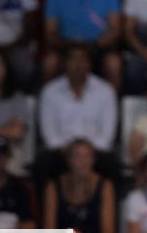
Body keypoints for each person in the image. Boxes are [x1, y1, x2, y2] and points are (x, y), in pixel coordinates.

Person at [37, 44, 119, 182]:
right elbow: (49, 135)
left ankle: (110, 203)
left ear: (90, 64)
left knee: (112, 164)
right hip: (62, 153)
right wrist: (71, 153)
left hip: (95, 152)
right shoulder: (49, 92)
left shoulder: (106, 91)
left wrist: (86, 154)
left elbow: (107, 136)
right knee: (43, 163)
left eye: (82, 59)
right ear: (64, 64)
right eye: (73, 59)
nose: (78, 64)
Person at [43, 0, 121, 86]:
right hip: (67, 47)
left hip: (98, 47)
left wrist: (94, 45)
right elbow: (50, 33)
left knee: (113, 64)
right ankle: (49, 106)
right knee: (50, 63)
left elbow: (114, 30)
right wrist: (71, 46)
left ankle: (112, 107)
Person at [43, 138, 116, 233]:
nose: (83, 162)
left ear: (93, 160)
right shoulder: (53, 186)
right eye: (77, 157)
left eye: (87, 157)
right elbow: (49, 232)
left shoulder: (105, 186)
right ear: (68, 161)